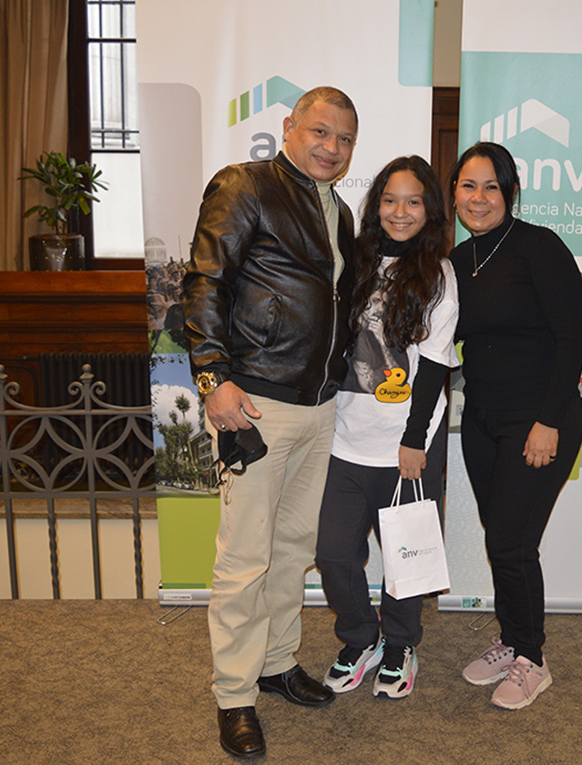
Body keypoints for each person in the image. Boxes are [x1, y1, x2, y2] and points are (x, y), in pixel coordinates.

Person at [181, 86, 359, 760]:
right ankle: (234, 694)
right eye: (320, 132)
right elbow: (204, 282)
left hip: (319, 406)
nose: (331, 147)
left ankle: (278, 661)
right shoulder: (244, 185)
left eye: (344, 139)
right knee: (244, 556)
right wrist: (212, 378)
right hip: (252, 401)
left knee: (291, 547)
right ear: (289, 127)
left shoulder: (340, 213)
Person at [448, 142, 582, 710]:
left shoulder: (539, 248)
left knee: (510, 540)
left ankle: (532, 656)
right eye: (467, 186)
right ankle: (510, 639)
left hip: (539, 421)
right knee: (505, 539)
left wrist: (547, 421)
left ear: (510, 193)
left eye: (490, 187)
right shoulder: (460, 260)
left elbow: (571, 340)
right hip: (482, 420)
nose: (478, 199)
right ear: (454, 193)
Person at [314, 156, 459, 701]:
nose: (400, 212)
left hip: (406, 440)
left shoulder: (438, 276)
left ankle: (399, 643)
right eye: (390, 200)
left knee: (405, 554)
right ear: (376, 206)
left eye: (414, 201)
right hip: (344, 436)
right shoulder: (354, 264)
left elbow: (438, 365)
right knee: (332, 552)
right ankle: (360, 638)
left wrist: (414, 440)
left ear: (430, 211)